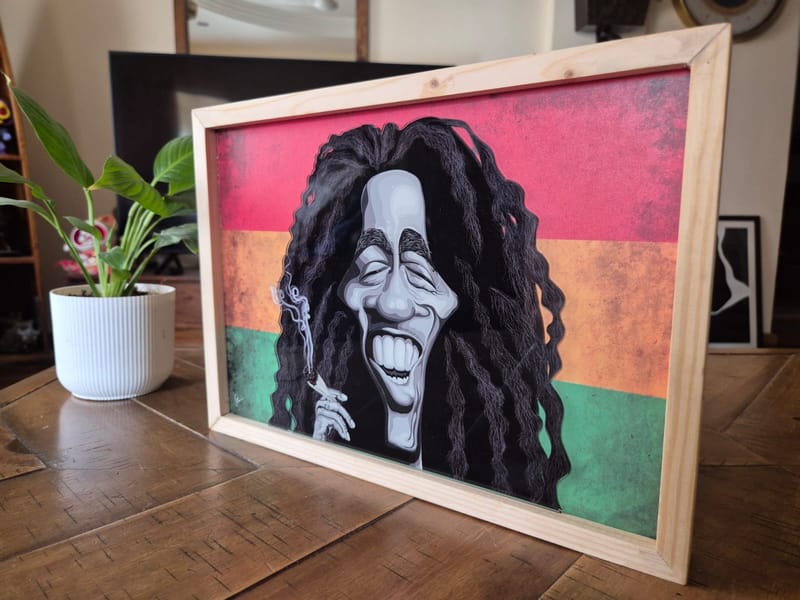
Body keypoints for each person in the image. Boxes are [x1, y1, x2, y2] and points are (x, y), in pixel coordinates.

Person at [269, 116, 570, 510]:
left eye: (419, 270)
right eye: (372, 267)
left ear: (460, 293)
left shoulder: (492, 476)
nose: (393, 303)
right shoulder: (336, 413)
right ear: (343, 292)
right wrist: (322, 449)